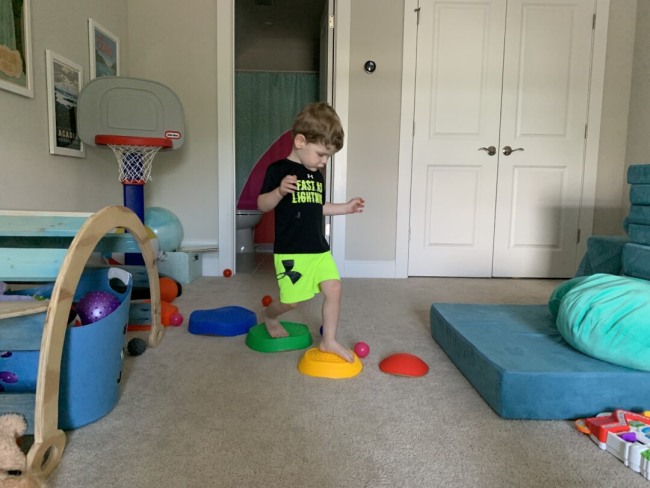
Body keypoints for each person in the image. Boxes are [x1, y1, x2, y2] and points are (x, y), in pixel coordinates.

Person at [257, 102, 365, 363]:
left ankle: (328, 341)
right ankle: (270, 316)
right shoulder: (278, 170)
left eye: (328, 156)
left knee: (334, 288)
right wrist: (279, 191)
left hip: (318, 248)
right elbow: (262, 205)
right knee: (292, 302)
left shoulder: (316, 176)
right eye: (321, 154)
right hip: (292, 252)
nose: (324, 161)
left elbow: (317, 208)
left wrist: (346, 208)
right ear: (300, 141)